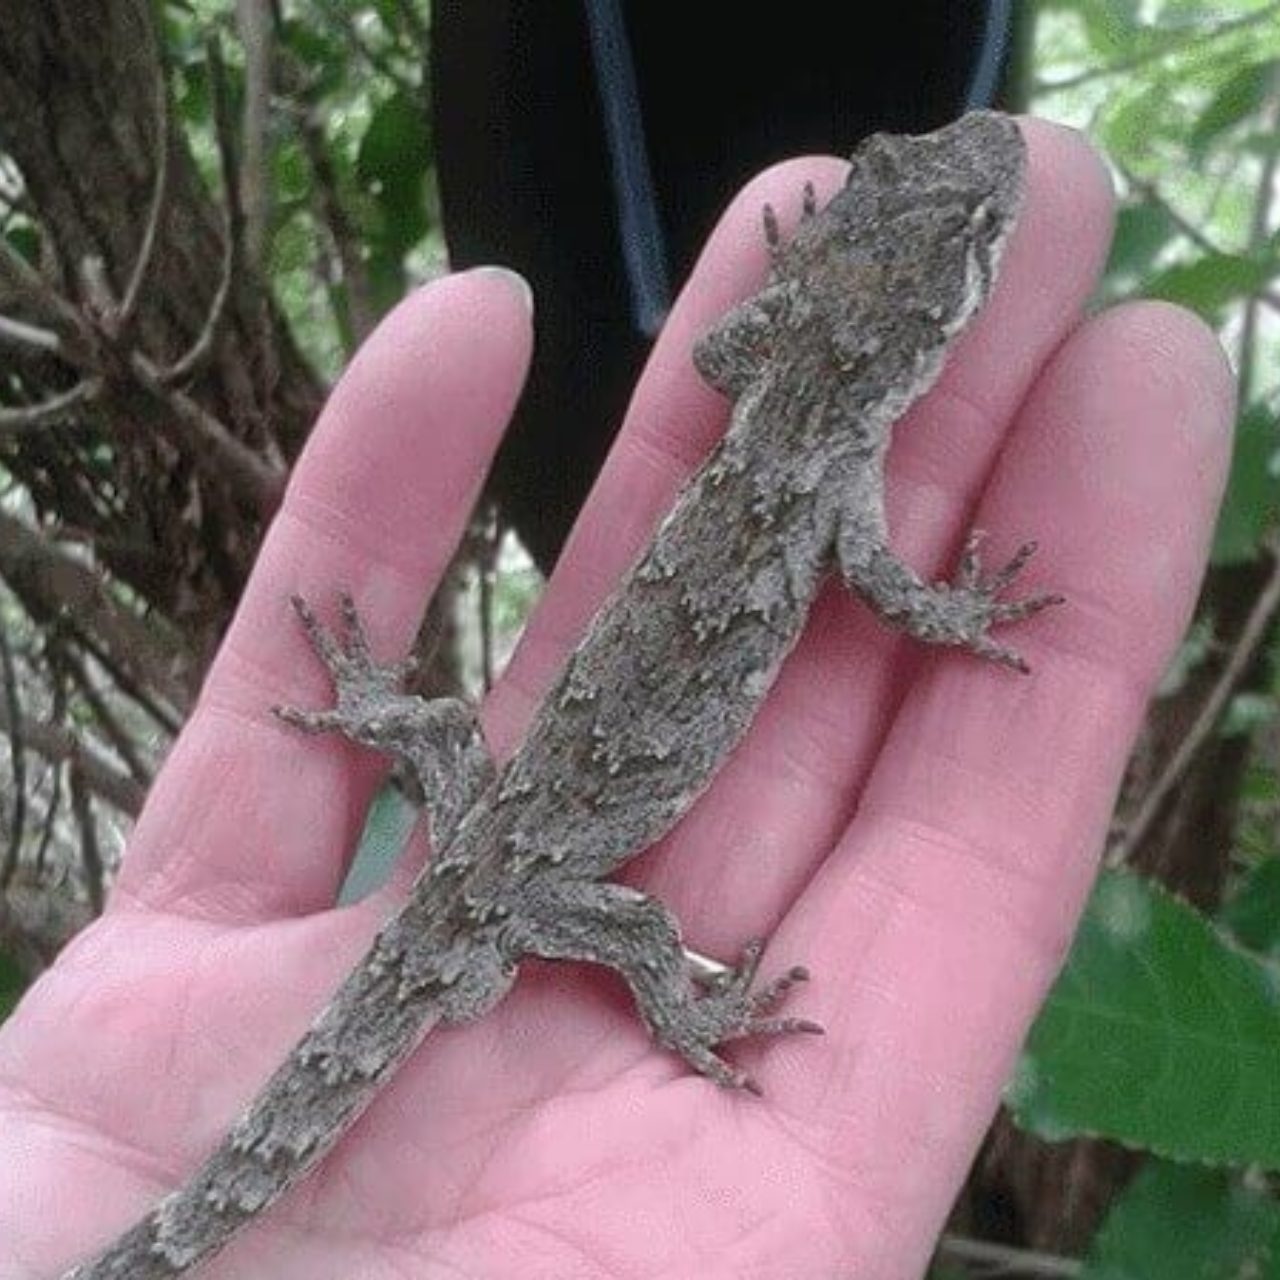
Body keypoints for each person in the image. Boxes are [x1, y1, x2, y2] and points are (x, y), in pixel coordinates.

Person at [0, 119, 1233, 1278]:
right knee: (643, 927)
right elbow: (883, 590)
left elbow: (718, 353)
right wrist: (958, 612)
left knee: (440, 729)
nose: (973, 209)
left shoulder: (784, 409)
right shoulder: (835, 467)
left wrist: (797, 294)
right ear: (923, 330)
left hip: (510, 829)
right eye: (973, 237)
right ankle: (679, 1022)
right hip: (525, 876)